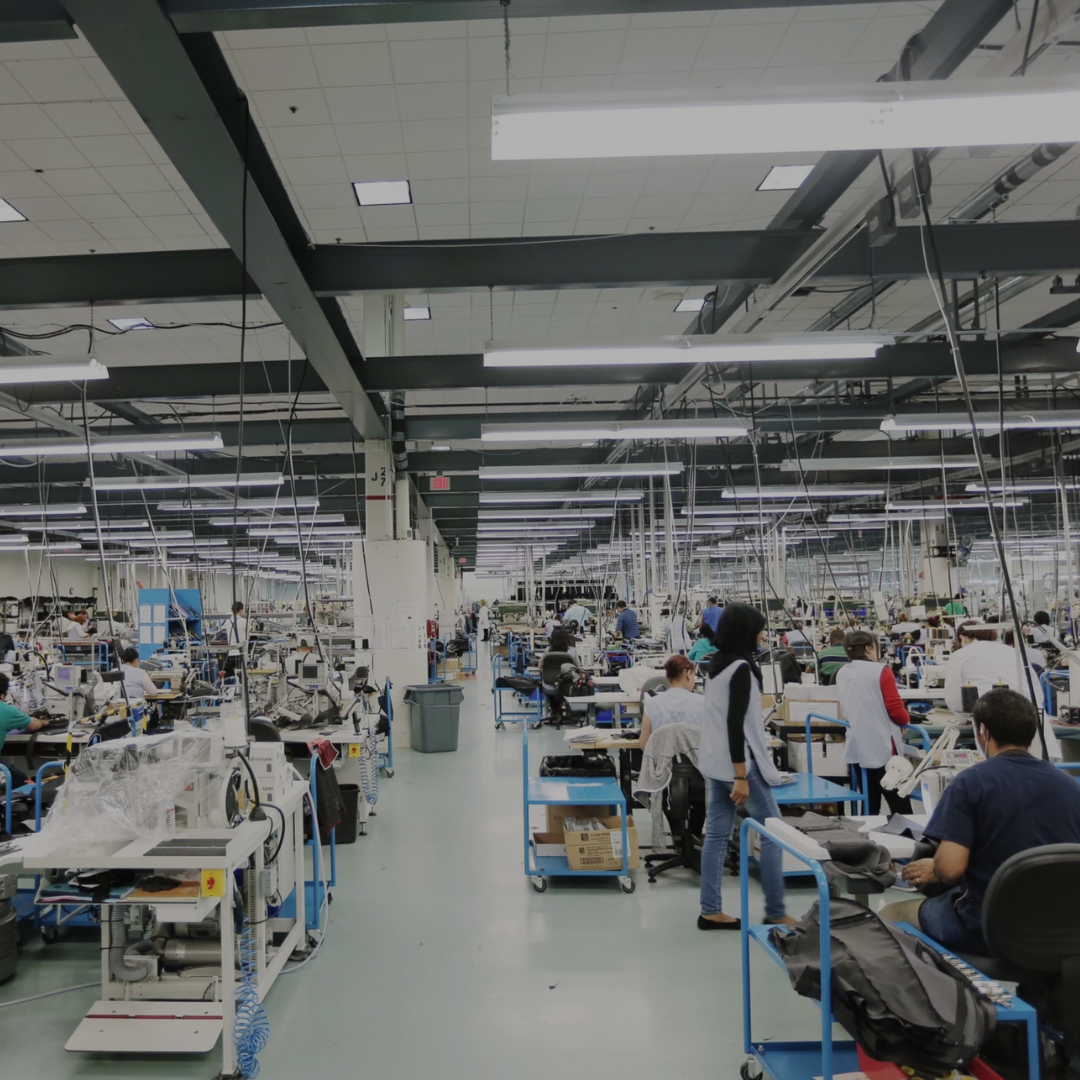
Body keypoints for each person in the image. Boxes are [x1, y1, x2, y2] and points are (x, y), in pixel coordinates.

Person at [883, 689, 1080, 954]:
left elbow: (951, 871)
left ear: (983, 732)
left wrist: (937, 867)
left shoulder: (971, 783)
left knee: (890, 913)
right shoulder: (1070, 787)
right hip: (1060, 927)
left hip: (985, 926)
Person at [697, 602, 795, 931]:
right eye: (760, 630)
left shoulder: (716, 665)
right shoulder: (740, 668)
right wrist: (741, 776)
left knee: (717, 836)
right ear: (747, 633)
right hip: (738, 764)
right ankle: (776, 910)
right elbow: (735, 724)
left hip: (715, 762)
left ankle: (710, 910)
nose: (764, 635)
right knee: (773, 832)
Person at [834, 631, 912, 815]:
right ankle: (908, 837)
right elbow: (894, 707)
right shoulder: (881, 670)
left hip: (858, 744)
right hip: (883, 746)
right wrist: (905, 721)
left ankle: (868, 838)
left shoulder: (842, 672)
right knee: (899, 802)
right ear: (869, 648)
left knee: (869, 802)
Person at [640, 654, 704, 748]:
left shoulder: (651, 705)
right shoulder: (703, 703)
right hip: (697, 762)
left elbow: (643, 744)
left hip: (662, 762)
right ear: (688, 674)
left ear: (667, 677)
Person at [0, 672, 48, 781]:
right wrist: (44, 722)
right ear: (2, 695)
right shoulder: (5, 710)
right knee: (21, 779)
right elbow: (33, 725)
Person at [222, 600, 248, 678]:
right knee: (242, 678)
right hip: (240, 653)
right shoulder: (244, 621)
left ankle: (231, 690)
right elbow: (249, 632)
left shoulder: (227, 622)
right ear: (241, 610)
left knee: (229, 678)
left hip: (230, 653)